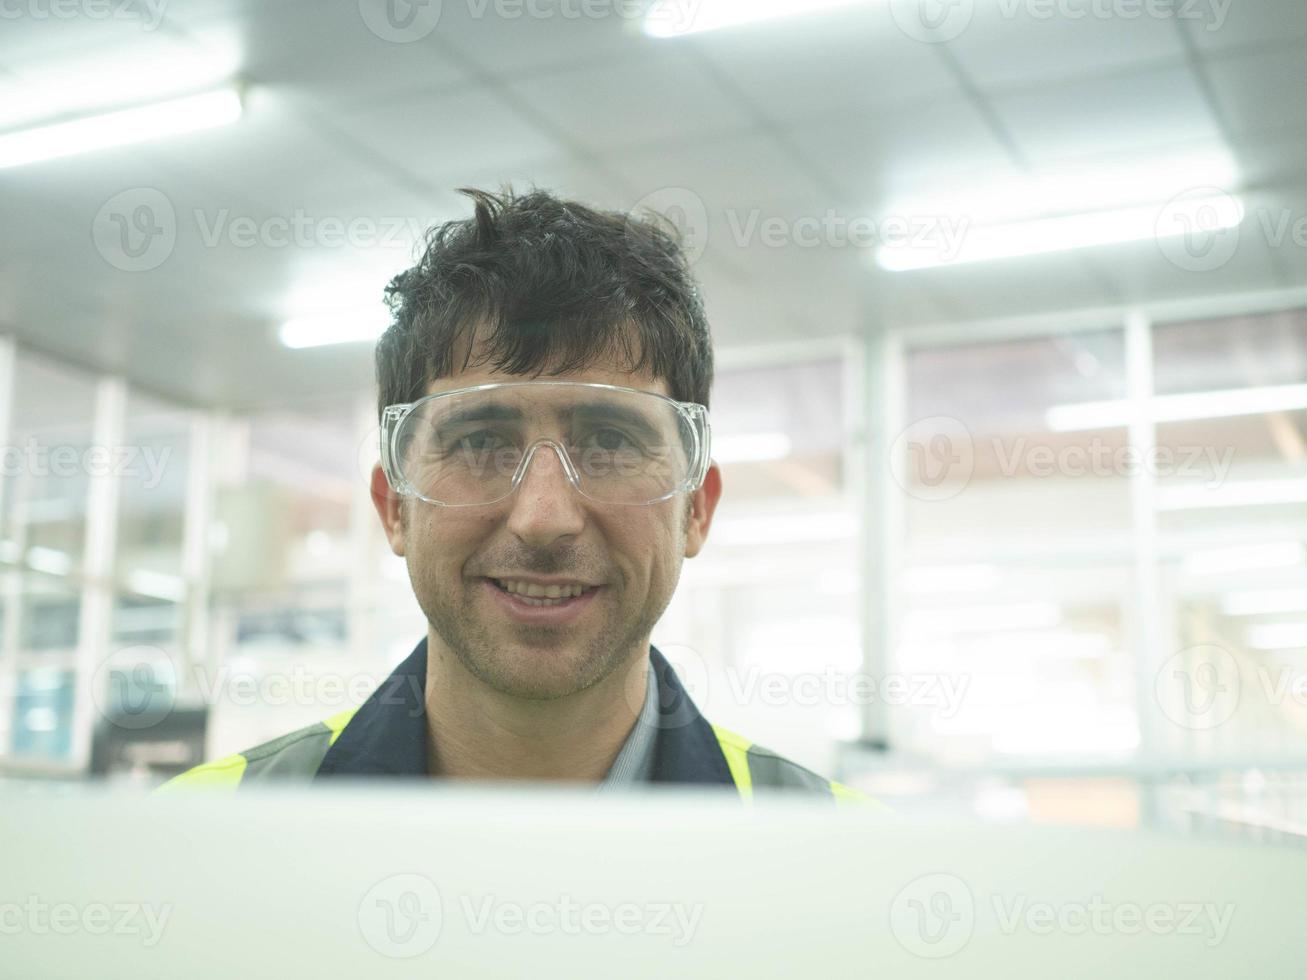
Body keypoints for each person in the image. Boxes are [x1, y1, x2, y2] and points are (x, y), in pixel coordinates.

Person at [164, 187, 864, 801]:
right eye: (478, 443)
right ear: (393, 505)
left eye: (611, 443)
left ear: (696, 507)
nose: (544, 519)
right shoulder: (198, 843)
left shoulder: (843, 866)